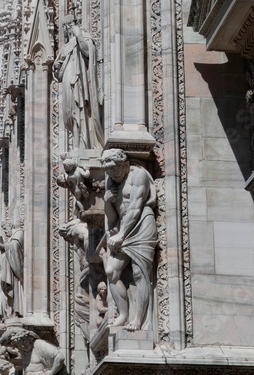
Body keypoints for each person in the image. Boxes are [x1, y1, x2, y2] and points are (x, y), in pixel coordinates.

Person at [99, 148, 157, 331]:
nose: (111, 175)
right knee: (111, 271)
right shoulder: (111, 179)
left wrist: (122, 234)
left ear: (124, 164)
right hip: (123, 225)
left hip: (141, 223)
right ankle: (123, 314)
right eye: (108, 172)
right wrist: (108, 202)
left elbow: (135, 207)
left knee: (140, 273)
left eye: (114, 170)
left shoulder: (138, 174)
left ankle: (138, 320)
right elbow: (112, 217)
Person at [53, 15, 103, 150]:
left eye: (68, 26)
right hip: (67, 82)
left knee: (79, 111)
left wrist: (79, 35)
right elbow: (58, 70)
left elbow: (88, 51)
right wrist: (57, 67)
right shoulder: (66, 46)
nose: (66, 29)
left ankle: (83, 145)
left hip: (78, 81)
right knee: (70, 112)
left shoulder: (84, 36)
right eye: (64, 27)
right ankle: (75, 144)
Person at [0, 327, 65, 375]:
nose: (22, 346)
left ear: (28, 339)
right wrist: (13, 330)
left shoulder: (38, 344)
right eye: (19, 345)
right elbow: (2, 342)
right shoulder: (22, 349)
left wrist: (51, 373)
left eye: (23, 343)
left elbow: (60, 358)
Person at [0, 222, 24, 318]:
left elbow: (15, 247)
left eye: (6, 229)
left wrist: (2, 246)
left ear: (12, 226)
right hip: (12, 270)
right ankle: (14, 310)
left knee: (17, 290)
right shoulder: (13, 237)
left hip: (16, 271)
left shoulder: (19, 233)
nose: (5, 232)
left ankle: (18, 311)